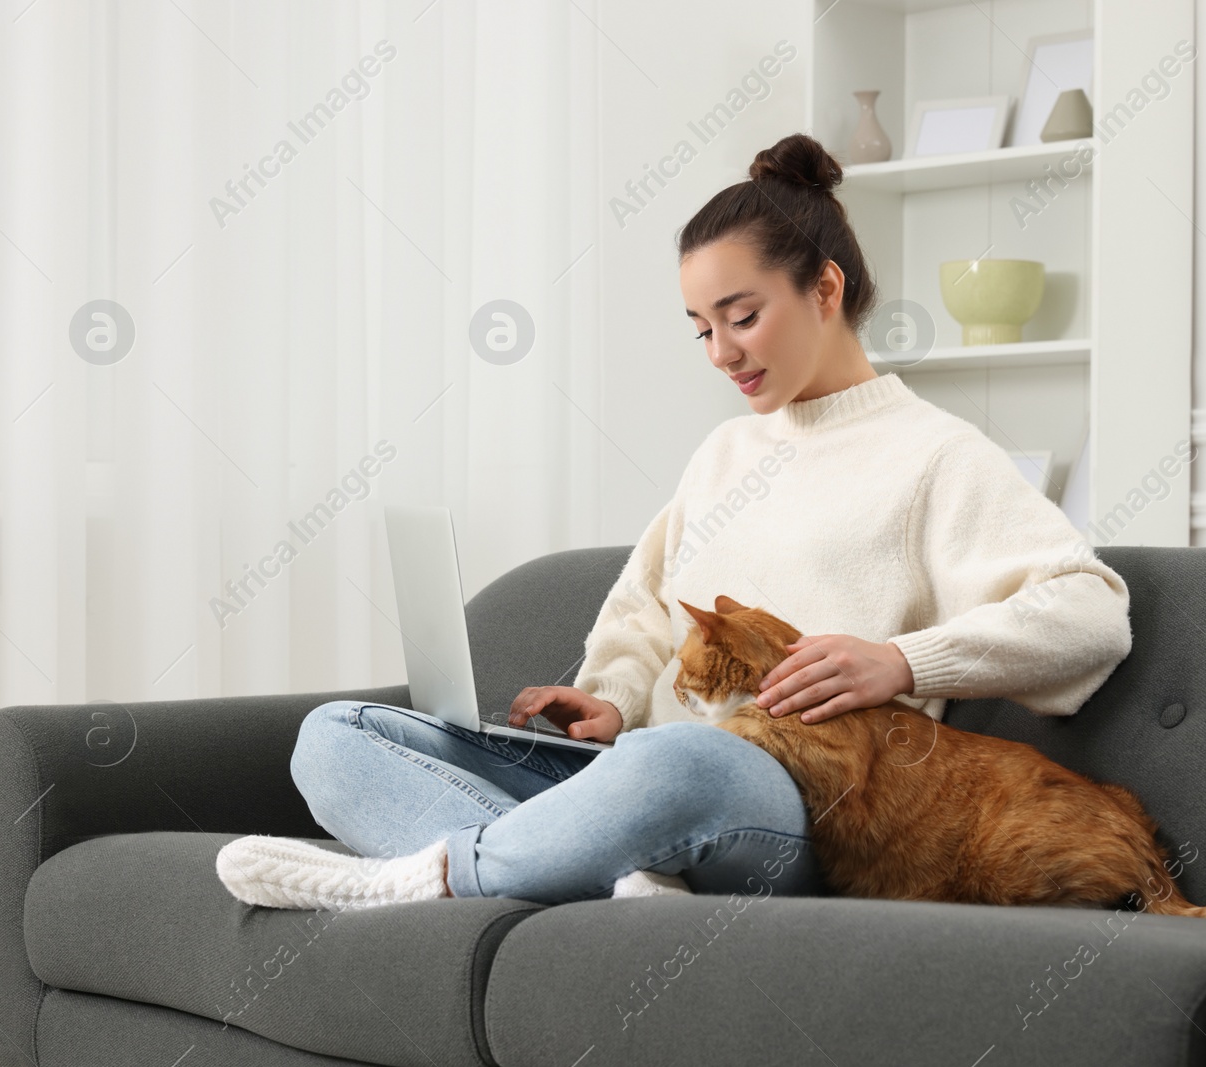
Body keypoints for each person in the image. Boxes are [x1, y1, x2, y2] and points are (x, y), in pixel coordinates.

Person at [214, 132, 1133, 911]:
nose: (722, 352)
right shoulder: (725, 455)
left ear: (824, 289)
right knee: (335, 736)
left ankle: (443, 874)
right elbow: (646, 614)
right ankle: (599, 863)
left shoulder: (934, 454)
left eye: (742, 316)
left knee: (684, 767)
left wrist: (900, 660)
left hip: (791, 806)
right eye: (701, 327)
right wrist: (610, 697)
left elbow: (1090, 612)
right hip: (631, 778)